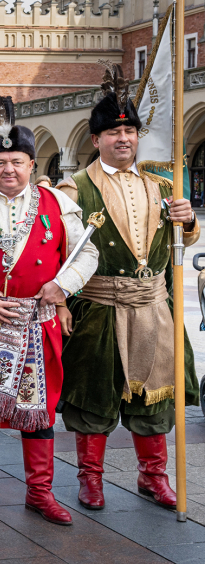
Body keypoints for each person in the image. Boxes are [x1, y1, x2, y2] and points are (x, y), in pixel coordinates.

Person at [0, 95, 98, 525]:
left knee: (38, 408)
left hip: (38, 324)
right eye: (0, 162)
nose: (8, 169)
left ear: (32, 164)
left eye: (17, 161)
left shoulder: (61, 207)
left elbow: (87, 255)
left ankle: (40, 493)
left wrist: (61, 285)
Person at [57, 65, 199, 511]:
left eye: (131, 131)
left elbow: (182, 241)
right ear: (95, 140)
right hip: (99, 307)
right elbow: (58, 248)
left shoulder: (162, 184)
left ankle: (152, 478)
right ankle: (91, 480)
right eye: (114, 133)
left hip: (153, 305)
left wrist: (188, 220)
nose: (124, 139)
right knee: (94, 397)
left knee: (154, 400)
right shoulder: (74, 189)